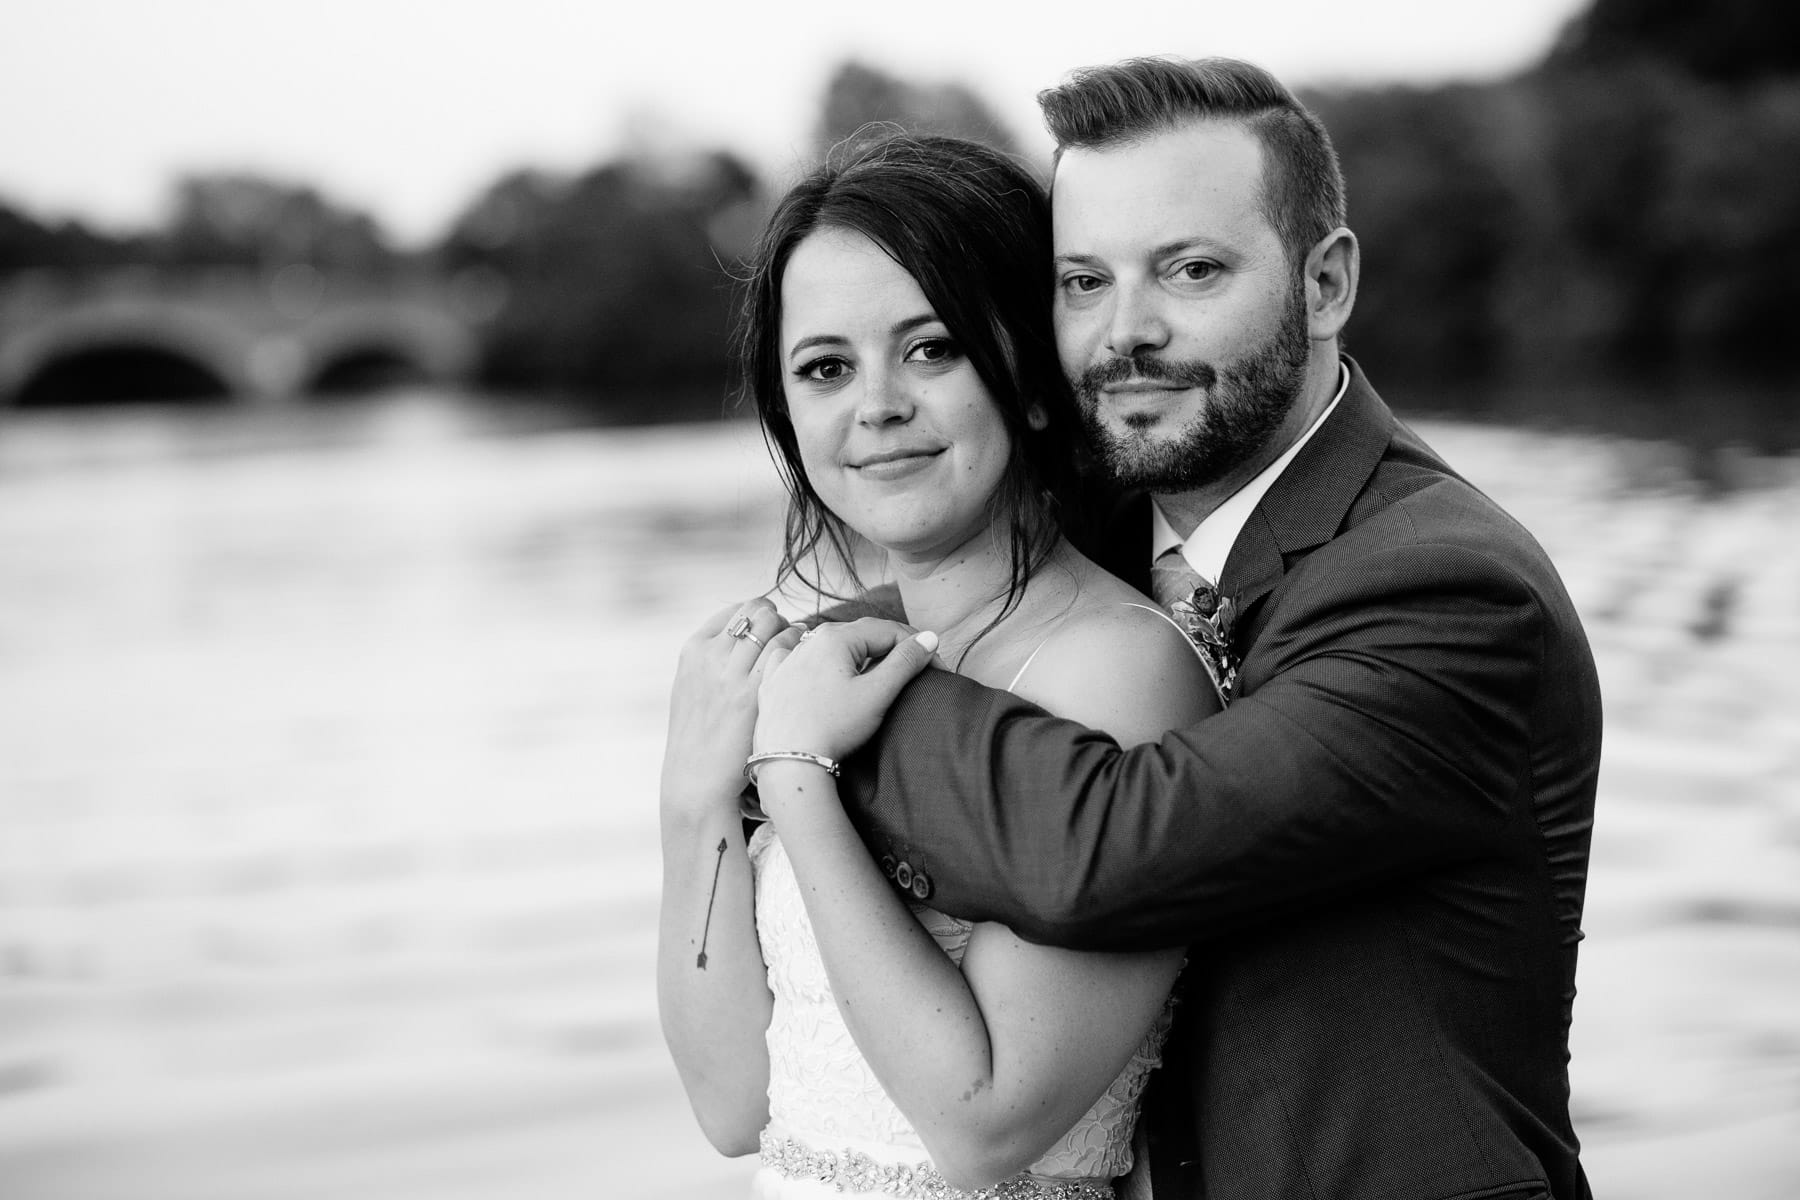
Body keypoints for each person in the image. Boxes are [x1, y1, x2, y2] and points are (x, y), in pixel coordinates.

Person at [757, 57, 1603, 1200]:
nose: (1127, 332)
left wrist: (802, 726)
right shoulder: (1101, 533)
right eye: (1083, 282)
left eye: (1192, 270)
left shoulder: (1446, 588)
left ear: (1328, 283)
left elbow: (1108, 851)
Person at [657, 133, 1218, 1200]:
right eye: (826, 369)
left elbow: (987, 1124)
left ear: (1039, 379)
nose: (875, 406)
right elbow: (732, 1108)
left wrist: (794, 782)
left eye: (931, 349)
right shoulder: (820, 666)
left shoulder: (1121, 674)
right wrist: (692, 802)